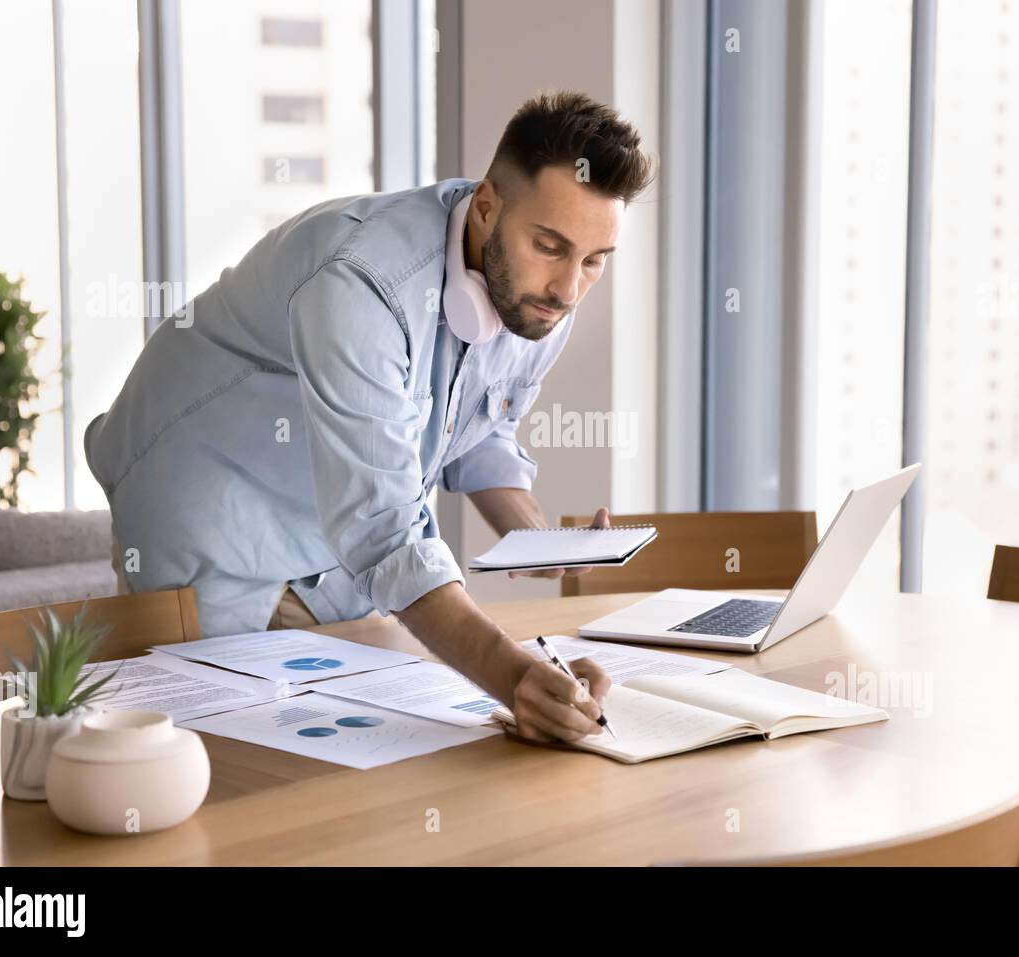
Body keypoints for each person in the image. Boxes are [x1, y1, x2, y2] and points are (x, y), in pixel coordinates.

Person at [84, 91, 655, 743]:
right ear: (489, 207)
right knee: (238, 765)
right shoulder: (362, 284)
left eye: (593, 261)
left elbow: (478, 430)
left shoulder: (539, 298)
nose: (568, 288)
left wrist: (539, 540)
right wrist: (517, 677)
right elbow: (385, 534)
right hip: (208, 510)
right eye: (550, 245)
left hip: (329, 535)